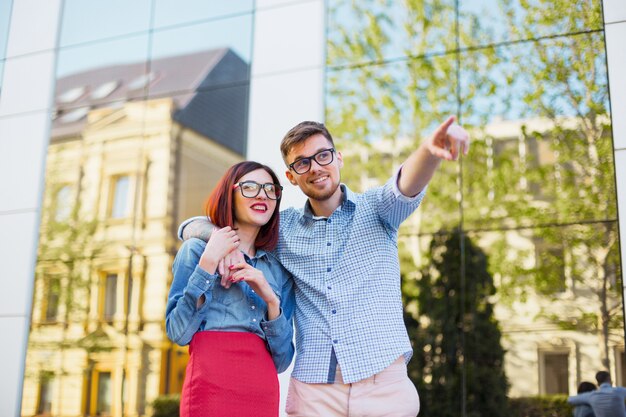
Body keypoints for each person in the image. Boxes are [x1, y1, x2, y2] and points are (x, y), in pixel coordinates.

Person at [179, 116, 469, 416]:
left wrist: (430, 151)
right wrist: (218, 239)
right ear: (291, 177)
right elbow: (196, 225)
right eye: (302, 163)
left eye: (322, 155)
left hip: (382, 382)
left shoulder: (378, 210)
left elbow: (405, 184)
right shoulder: (283, 230)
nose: (315, 167)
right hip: (314, 391)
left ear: (337, 158)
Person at [166, 161, 295, 417]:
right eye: (250, 187)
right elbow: (177, 333)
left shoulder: (279, 270)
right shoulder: (195, 251)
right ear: (229, 194)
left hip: (261, 391)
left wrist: (270, 300)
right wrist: (208, 262)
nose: (262, 194)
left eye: (271, 189)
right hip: (208, 387)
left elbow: (281, 361)